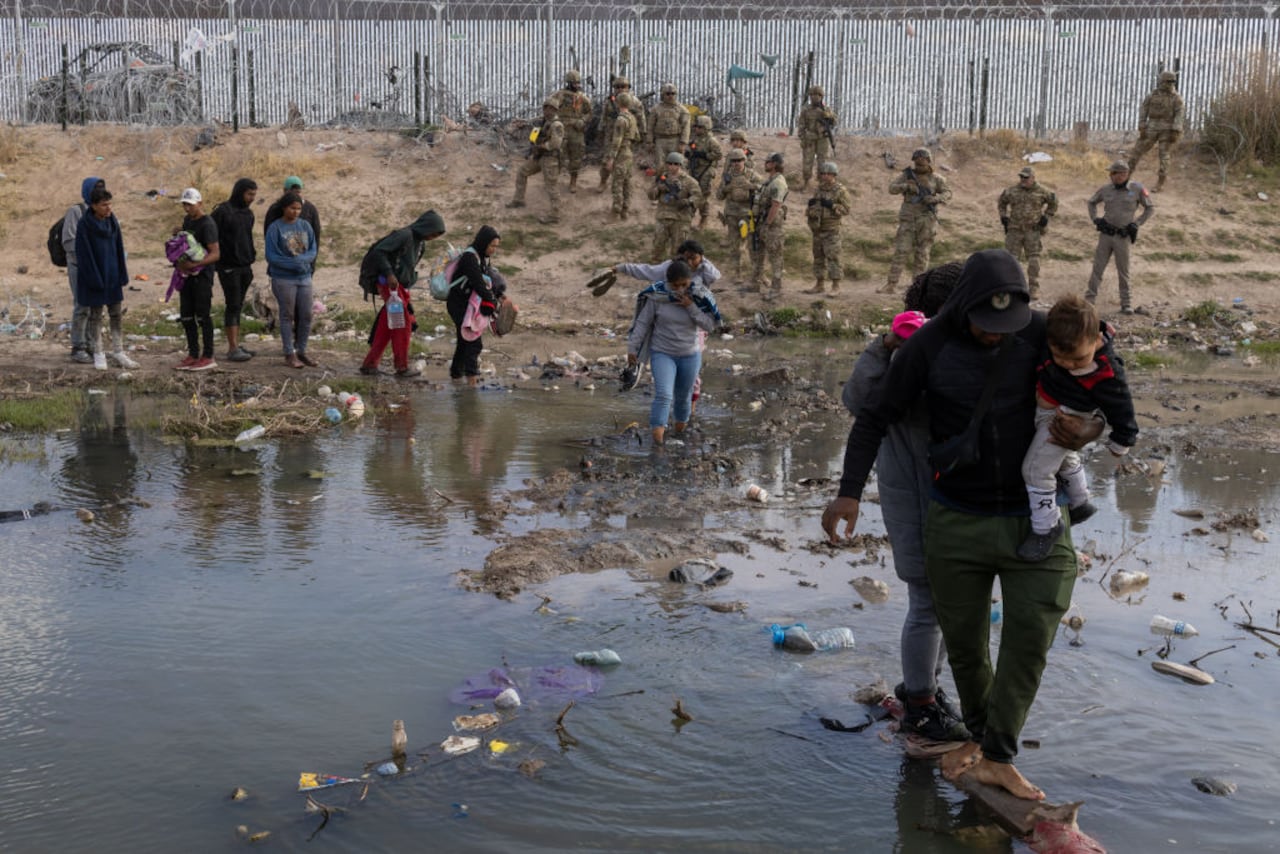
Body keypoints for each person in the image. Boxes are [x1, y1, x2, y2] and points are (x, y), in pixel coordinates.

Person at [822, 249, 1103, 801]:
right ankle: (932, 709)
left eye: (1006, 325)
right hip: (942, 508)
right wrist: (849, 491)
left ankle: (986, 742)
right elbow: (867, 410)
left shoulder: (1038, 331)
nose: (995, 336)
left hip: (1024, 512)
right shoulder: (920, 348)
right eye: (983, 324)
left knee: (1024, 636)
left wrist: (1091, 429)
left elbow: (1096, 375)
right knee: (950, 624)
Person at [842, 263, 964, 743]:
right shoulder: (900, 351)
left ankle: (925, 690)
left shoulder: (964, 350)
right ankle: (920, 704)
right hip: (910, 495)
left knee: (951, 602)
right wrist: (886, 347)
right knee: (928, 601)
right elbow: (858, 404)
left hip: (952, 495)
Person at [1018, 294, 1137, 561]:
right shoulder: (1056, 342)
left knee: (1035, 470)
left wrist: (1122, 438)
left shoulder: (1106, 371)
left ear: (1096, 340)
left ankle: (1046, 527)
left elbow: (1122, 406)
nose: (1069, 365)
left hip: (1065, 418)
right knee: (1061, 458)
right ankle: (1080, 501)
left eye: (1078, 360)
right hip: (1049, 409)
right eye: (1061, 358)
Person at [625, 259, 719, 446]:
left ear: (689, 281)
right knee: (664, 395)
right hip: (662, 353)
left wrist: (690, 307)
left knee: (683, 397)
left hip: (690, 354)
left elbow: (710, 325)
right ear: (668, 283)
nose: (679, 290)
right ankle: (658, 444)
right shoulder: (657, 297)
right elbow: (642, 323)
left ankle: (678, 434)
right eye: (675, 286)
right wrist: (632, 348)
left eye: (684, 285)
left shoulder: (699, 297)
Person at [359, 210, 446, 377]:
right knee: (402, 324)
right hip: (389, 284)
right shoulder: (404, 235)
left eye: (435, 236)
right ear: (426, 227)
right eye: (432, 233)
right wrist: (389, 273)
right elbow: (379, 252)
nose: (432, 237)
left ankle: (370, 364)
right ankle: (401, 367)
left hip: (400, 288)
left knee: (388, 326)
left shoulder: (420, 243)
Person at [75, 187, 139, 371]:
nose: (108, 208)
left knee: (116, 314)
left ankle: (119, 351)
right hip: (94, 276)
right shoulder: (84, 225)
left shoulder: (112, 220)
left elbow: (119, 247)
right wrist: (94, 280)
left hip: (112, 275)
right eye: (104, 205)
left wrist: (122, 274)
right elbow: (84, 256)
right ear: (93, 206)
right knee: (96, 316)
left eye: (110, 204)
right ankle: (98, 353)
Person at [1085, 161, 1154, 315]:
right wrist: (1096, 219)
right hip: (1106, 235)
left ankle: (1126, 303)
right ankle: (1089, 300)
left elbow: (1150, 208)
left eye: (1114, 173)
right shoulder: (1106, 189)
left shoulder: (1137, 189)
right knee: (1098, 268)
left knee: (1123, 271)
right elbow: (1091, 202)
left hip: (1123, 237)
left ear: (1124, 174)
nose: (1111, 176)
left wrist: (1136, 224)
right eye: (1111, 173)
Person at [882, 148, 951, 294]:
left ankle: (918, 287)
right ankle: (891, 284)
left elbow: (947, 192)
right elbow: (891, 188)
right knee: (901, 251)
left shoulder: (937, 178)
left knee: (922, 254)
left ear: (929, 161)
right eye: (918, 161)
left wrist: (935, 198)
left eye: (924, 161)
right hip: (908, 220)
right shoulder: (907, 176)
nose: (921, 163)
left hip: (927, 220)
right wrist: (906, 186)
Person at [264, 192, 319, 369]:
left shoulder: (305, 226)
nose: (296, 212)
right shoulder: (275, 228)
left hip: (304, 277)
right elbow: (272, 256)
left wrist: (302, 261)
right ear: (284, 208)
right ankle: (289, 352)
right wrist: (293, 263)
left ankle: (302, 350)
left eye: (298, 209)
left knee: (306, 314)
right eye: (292, 208)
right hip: (283, 278)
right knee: (287, 315)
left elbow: (312, 250)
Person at [210, 177, 258, 362]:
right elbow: (210, 234)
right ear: (240, 192)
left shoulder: (248, 214)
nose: (252, 198)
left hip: (245, 265)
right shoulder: (222, 212)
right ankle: (232, 348)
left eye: (254, 195)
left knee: (237, 305)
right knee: (233, 305)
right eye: (249, 194)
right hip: (229, 267)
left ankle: (236, 344)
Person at [447, 225, 502, 385]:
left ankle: (456, 376)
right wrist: (492, 301)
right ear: (483, 242)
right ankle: (472, 382)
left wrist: (499, 295)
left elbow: (488, 281)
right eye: (492, 245)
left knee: (464, 341)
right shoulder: (470, 258)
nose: (493, 250)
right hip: (459, 305)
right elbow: (478, 283)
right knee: (473, 341)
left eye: (496, 247)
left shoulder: (481, 257)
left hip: (467, 305)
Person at [175, 188, 221, 371]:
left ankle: (208, 355)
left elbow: (215, 253)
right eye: (185, 204)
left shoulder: (207, 224)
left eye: (190, 205)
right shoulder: (188, 220)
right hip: (187, 275)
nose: (187, 208)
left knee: (203, 316)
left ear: (199, 204)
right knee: (186, 315)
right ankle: (193, 353)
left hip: (202, 276)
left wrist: (196, 265)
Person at [998, 167, 1058, 298]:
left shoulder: (1042, 191)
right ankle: (1012, 286)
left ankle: (1033, 288)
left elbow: (1053, 202)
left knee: (1033, 260)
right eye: (1021, 177)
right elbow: (1001, 202)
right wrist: (1003, 216)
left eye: (1026, 177)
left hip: (1033, 231)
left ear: (1033, 178)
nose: (1023, 180)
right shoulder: (1012, 191)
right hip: (1014, 230)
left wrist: (1046, 217)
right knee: (1011, 260)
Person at [63, 176, 105, 364]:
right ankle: (78, 346)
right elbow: (69, 241)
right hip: (79, 267)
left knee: (96, 306)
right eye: (96, 188)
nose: (100, 191)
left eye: (102, 188)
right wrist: (88, 258)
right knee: (82, 305)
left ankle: (91, 344)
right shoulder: (76, 211)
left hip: (98, 268)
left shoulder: (103, 211)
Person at [508, 100, 564, 224]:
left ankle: (555, 215)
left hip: (550, 159)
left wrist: (541, 146)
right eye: (545, 108)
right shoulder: (543, 121)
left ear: (554, 109)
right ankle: (519, 200)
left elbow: (555, 144)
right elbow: (533, 133)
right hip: (539, 157)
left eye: (548, 108)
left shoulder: (556, 124)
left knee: (551, 186)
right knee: (522, 172)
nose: (546, 110)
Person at [1128, 70, 1184, 192]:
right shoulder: (1152, 96)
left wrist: (1176, 130)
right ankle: (1125, 178)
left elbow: (1179, 115)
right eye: (1167, 81)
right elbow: (1144, 109)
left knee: (1164, 156)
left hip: (1167, 129)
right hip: (1151, 127)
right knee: (1137, 152)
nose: (1169, 84)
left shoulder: (1176, 98)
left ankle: (1160, 183)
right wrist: (1142, 125)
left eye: (1172, 82)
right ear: (1161, 81)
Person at [805, 161, 853, 295]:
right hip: (818, 229)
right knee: (818, 257)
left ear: (834, 175)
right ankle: (819, 284)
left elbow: (846, 209)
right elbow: (813, 206)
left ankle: (836, 286)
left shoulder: (840, 191)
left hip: (831, 230)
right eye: (823, 174)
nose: (825, 176)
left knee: (833, 257)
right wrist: (811, 205)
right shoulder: (819, 189)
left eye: (828, 174)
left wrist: (832, 205)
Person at [716, 148, 762, 286]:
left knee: (752, 245)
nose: (736, 163)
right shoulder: (727, 177)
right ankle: (737, 273)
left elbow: (763, 189)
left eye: (739, 160)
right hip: (731, 215)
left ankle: (757, 274)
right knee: (734, 246)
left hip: (747, 215)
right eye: (734, 161)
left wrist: (751, 186)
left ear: (744, 161)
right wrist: (726, 188)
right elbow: (718, 196)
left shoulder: (752, 175)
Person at [648, 153, 702, 261]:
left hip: (680, 219)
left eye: (675, 164)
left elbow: (698, 196)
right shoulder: (662, 178)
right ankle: (656, 271)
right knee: (657, 248)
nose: (672, 166)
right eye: (670, 164)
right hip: (663, 216)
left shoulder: (688, 181)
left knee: (678, 251)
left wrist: (688, 201)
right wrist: (659, 189)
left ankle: (677, 274)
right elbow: (651, 196)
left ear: (680, 165)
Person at [750, 152, 789, 300]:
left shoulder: (778, 182)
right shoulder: (770, 181)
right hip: (762, 223)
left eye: (767, 162)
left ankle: (776, 288)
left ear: (774, 164)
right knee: (758, 254)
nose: (765, 164)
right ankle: (756, 282)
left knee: (775, 257)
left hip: (772, 227)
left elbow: (776, 205)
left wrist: (767, 224)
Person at [598, 76, 645, 191]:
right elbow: (603, 117)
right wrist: (600, 129)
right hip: (611, 135)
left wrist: (643, 133)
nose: (620, 89)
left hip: (627, 136)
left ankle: (624, 185)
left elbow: (641, 118)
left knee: (625, 161)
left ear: (628, 88)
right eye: (617, 87)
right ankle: (603, 181)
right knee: (607, 160)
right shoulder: (610, 101)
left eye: (623, 87)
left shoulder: (635, 102)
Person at [603, 92, 642, 221]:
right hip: (629, 153)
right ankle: (625, 211)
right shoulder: (632, 118)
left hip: (620, 154)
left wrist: (611, 158)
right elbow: (637, 136)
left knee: (617, 184)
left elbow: (616, 141)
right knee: (627, 183)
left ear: (618, 103)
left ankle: (615, 213)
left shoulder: (621, 119)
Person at [555, 70, 592, 194]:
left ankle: (573, 182)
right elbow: (549, 108)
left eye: (578, 83)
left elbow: (589, 112)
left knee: (576, 158)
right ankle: (553, 181)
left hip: (576, 131)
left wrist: (583, 120)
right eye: (575, 83)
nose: (578, 85)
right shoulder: (559, 95)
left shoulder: (582, 98)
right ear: (569, 83)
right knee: (557, 156)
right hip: (561, 131)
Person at [263, 175, 322, 249]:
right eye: (292, 192)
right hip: (280, 256)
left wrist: (311, 258)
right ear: (284, 191)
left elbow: (316, 235)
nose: (295, 196)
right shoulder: (275, 209)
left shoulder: (310, 209)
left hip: (303, 257)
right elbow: (268, 234)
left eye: (298, 192)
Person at [685, 115, 722, 229]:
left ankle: (703, 219)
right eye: (696, 127)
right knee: (691, 193)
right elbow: (690, 150)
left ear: (706, 128)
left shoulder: (711, 141)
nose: (696, 129)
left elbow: (718, 155)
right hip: (695, 169)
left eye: (699, 127)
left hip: (706, 170)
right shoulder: (696, 139)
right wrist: (689, 154)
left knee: (703, 196)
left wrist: (704, 155)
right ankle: (688, 219)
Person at [797, 84, 837, 189]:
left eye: (818, 95)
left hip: (822, 139)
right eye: (813, 95)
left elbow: (834, 122)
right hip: (809, 138)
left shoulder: (826, 109)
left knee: (822, 162)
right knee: (807, 161)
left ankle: (822, 183)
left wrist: (829, 117)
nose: (815, 97)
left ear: (821, 97)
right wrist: (802, 136)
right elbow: (801, 124)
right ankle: (806, 182)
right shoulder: (806, 110)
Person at [648, 83, 691, 168]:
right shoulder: (656, 109)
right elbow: (650, 127)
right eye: (667, 94)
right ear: (663, 95)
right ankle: (661, 180)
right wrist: (649, 141)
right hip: (660, 141)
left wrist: (683, 143)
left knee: (676, 165)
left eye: (673, 94)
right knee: (660, 166)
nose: (670, 96)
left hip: (675, 140)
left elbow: (686, 127)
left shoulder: (682, 110)